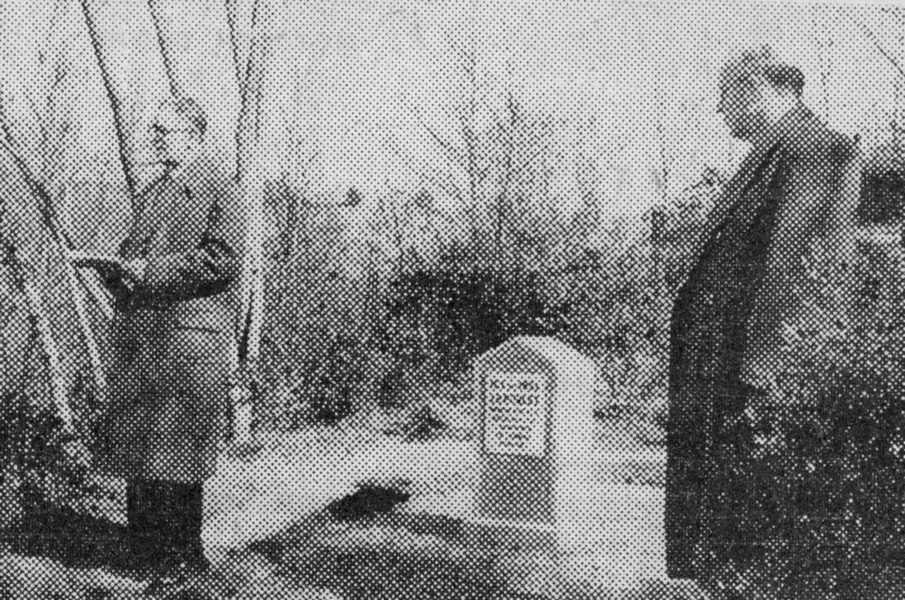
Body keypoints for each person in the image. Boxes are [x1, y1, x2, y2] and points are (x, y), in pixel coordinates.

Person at [665, 45, 861, 591]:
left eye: (725, 97)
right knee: (721, 530)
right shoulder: (775, 151)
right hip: (722, 366)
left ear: (759, 89)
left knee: (745, 527)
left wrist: (762, 370)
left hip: (745, 370)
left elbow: (793, 265)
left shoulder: (809, 148)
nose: (721, 112)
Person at [75, 97, 244, 586]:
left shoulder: (221, 190)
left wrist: (150, 271)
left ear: (192, 135)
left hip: (189, 343)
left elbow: (221, 261)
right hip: (145, 338)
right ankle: (146, 554)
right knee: (142, 451)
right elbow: (133, 255)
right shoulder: (153, 192)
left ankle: (184, 562)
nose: (155, 138)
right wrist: (115, 271)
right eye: (155, 131)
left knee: (179, 455)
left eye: (163, 131)